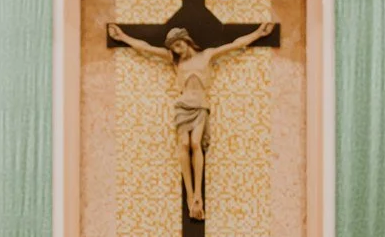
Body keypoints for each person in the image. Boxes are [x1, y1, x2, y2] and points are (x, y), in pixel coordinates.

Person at [106, 20, 273, 219]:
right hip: (182, 107)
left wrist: (258, 33)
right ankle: (189, 195)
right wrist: (122, 37)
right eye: (174, 48)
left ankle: (197, 196)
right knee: (184, 144)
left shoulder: (207, 55)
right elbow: (147, 48)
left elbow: (235, 44)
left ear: (186, 41)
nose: (177, 50)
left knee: (196, 144)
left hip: (200, 106)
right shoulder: (176, 61)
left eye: (178, 45)